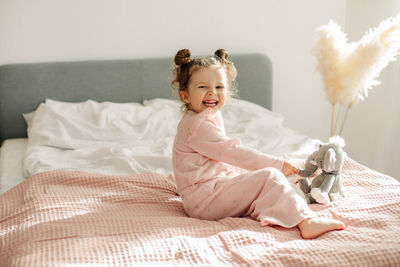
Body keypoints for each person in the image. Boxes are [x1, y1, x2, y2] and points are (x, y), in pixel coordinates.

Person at [171, 48, 345, 239]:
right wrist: (277, 164)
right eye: (203, 87)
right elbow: (233, 152)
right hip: (204, 200)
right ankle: (306, 221)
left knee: (262, 177)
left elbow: (223, 158)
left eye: (219, 87)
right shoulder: (198, 126)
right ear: (185, 96)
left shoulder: (205, 117)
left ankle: (289, 199)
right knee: (269, 175)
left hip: (205, 194)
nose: (212, 92)